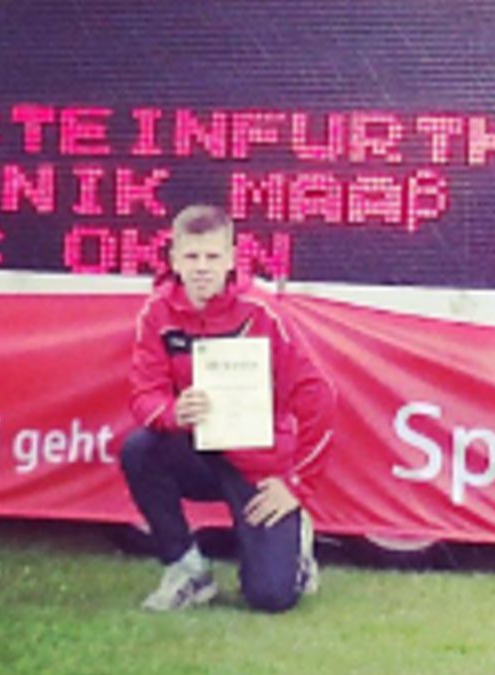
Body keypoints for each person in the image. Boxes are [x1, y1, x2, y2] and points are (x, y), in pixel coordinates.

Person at [120, 204, 335, 613]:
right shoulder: (156, 313)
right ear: (174, 260)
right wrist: (173, 412)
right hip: (199, 453)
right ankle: (187, 570)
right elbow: (143, 395)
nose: (202, 268)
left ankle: (296, 544)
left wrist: (295, 485)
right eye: (192, 256)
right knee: (139, 449)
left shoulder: (263, 312)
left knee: (271, 598)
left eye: (212, 256)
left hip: (259, 467)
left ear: (232, 259)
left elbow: (320, 397)